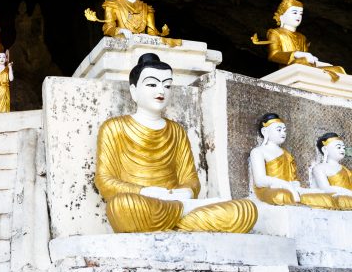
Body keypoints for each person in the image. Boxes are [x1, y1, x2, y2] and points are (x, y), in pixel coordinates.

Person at [94, 53, 257, 233]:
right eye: (152, 84)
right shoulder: (114, 127)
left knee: (245, 210)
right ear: (133, 91)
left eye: (167, 85)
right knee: (123, 206)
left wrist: (187, 191)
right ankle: (182, 217)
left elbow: (190, 178)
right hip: (142, 204)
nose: (161, 91)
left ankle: (179, 216)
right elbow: (105, 181)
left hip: (175, 202)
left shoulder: (176, 130)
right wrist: (145, 192)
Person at [251, 0, 345, 82]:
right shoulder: (275, 33)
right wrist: (295, 54)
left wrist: (319, 63)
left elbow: (308, 59)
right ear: (281, 16)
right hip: (290, 67)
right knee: (302, 61)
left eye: (300, 13)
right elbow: (273, 55)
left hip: (306, 66)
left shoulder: (302, 37)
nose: (298, 16)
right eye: (294, 12)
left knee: (338, 69)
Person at [249, 113, 337, 209]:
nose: (283, 133)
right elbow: (259, 180)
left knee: (325, 198)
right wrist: (286, 185)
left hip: (290, 189)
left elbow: (293, 179)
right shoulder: (258, 151)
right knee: (281, 195)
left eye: (284, 130)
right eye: (279, 130)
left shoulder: (287, 155)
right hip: (270, 190)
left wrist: (294, 186)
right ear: (265, 131)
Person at [311, 133, 352, 210]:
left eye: (343, 148)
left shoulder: (346, 170)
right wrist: (348, 193)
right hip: (336, 198)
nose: (342, 150)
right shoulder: (319, 168)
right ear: (325, 149)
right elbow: (325, 188)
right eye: (338, 147)